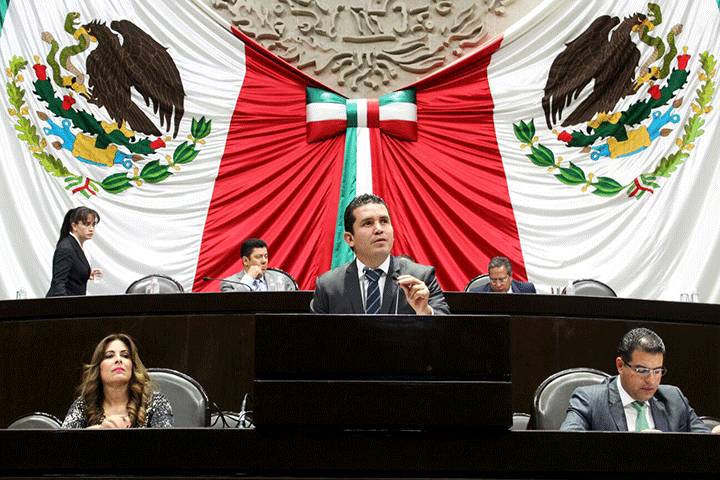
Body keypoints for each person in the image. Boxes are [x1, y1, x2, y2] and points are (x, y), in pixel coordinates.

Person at [311, 193, 449, 315]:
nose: (379, 229)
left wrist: (425, 312)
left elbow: (445, 328)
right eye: (368, 223)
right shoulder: (328, 286)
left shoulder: (421, 277)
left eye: (384, 221)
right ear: (350, 239)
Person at [560, 328, 709, 432]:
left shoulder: (674, 399)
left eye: (657, 371)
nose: (651, 380)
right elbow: (567, 446)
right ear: (620, 365)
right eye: (642, 371)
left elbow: (703, 440)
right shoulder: (590, 400)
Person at [62, 333, 173, 429]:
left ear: (132, 366)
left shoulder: (154, 402)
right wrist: (99, 430)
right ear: (98, 368)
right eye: (109, 356)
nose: (118, 360)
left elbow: (166, 443)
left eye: (125, 355)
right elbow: (64, 441)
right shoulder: (84, 404)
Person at [46, 207, 102, 297]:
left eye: (93, 225)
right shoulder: (66, 248)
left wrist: (87, 274)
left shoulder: (77, 245)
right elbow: (59, 283)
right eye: (86, 224)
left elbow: (72, 274)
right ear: (74, 226)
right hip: (63, 303)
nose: (91, 229)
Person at [221, 238, 296, 291]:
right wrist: (249, 278)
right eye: (258, 257)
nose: (264, 261)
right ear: (245, 261)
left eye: (266, 256)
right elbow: (232, 304)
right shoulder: (229, 283)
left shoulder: (280, 278)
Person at [470, 256, 535, 293]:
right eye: (493, 280)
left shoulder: (527, 289)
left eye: (501, 280)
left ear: (510, 277)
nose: (498, 285)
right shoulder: (476, 293)